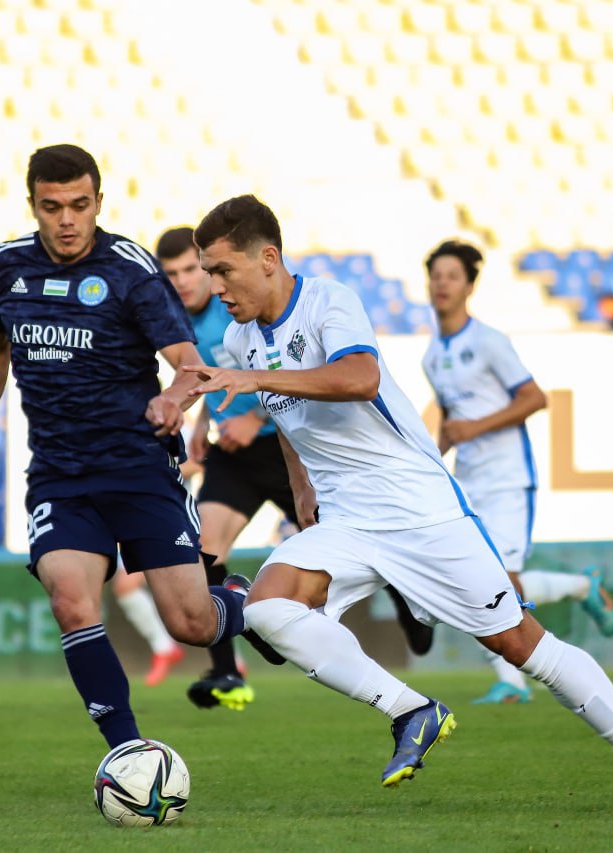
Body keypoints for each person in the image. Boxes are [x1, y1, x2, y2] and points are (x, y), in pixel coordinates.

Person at [183, 195, 613, 820]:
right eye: (208, 272)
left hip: (418, 510)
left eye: (223, 270)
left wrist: (256, 381)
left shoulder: (328, 301)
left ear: (267, 258)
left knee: (520, 644)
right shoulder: (240, 338)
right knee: (269, 607)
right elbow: (287, 417)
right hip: (347, 519)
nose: (216, 286)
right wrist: (301, 482)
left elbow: (359, 378)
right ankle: (411, 711)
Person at [0, 144, 256, 750]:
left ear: (99, 202)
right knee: (71, 602)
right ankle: (128, 751)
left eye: (79, 205)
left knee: (191, 622)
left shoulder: (131, 270)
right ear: (33, 206)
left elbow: (190, 363)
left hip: (139, 468)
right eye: (52, 207)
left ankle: (248, 602)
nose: (67, 220)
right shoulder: (5, 268)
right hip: (60, 476)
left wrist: (173, 399)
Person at [113, 227, 436, 710]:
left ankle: (404, 602)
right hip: (235, 457)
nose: (183, 281)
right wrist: (204, 422)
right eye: (172, 273)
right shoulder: (177, 320)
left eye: (191, 270)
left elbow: (285, 368)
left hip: (288, 448)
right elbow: (216, 379)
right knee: (203, 550)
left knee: (349, 540)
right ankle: (227, 672)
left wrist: (255, 417)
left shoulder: (236, 308)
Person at [422, 240, 613, 705]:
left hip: (509, 477)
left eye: (452, 276)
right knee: (475, 580)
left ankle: (572, 599)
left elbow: (534, 398)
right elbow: (453, 423)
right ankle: (521, 667)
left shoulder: (489, 341)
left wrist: (475, 428)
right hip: (469, 480)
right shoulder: (432, 356)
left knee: (499, 581)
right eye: (436, 276)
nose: (442, 284)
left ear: (469, 287)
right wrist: (431, 461)